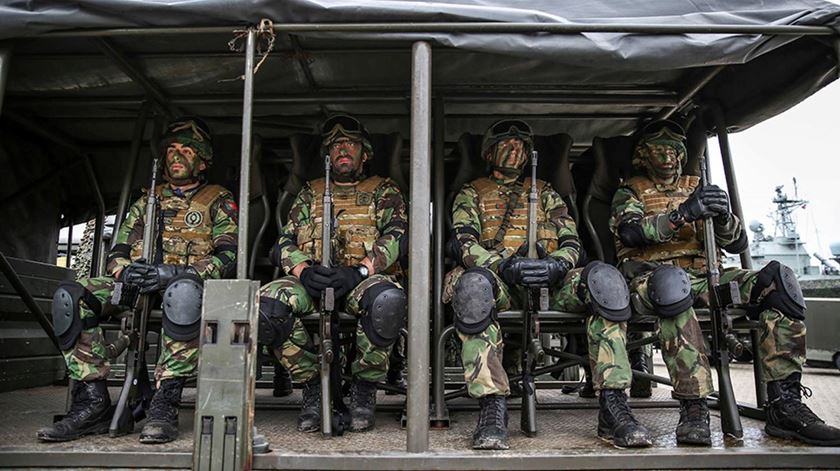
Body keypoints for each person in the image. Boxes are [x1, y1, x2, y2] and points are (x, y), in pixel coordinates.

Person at [611, 119, 840, 446]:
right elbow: (630, 232)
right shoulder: (630, 190)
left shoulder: (698, 186)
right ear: (643, 157)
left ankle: (784, 404)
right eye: (657, 149)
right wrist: (682, 214)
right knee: (673, 288)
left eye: (673, 149)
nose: (667, 156)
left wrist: (721, 217)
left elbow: (737, 244)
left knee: (778, 283)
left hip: (706, 275)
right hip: (652, 278)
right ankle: (694, 407)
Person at [443, 119, 651, 450]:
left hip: (551, 282)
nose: (516, 151)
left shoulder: (547, 194)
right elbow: (466, 245)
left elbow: (571, 241)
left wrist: (558, 264)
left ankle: (614, 405)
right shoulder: (471, 193)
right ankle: (492, 408)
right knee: (472, 291)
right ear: (488, 152)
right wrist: (504, 266)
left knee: (605, 283)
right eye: (507, 145)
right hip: (500, 280)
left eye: (522, 146)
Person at [38, 117, 238, 444]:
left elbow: (228, 256)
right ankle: (92, 402)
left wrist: (176, 273)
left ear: (202, 160)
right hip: (137, 285)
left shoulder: (218, 199)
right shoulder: (148, 199)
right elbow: (117, 249)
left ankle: (164, 404)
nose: (177, 156)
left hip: (187, 287)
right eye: (172, 149)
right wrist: (124, 269)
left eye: (187, 150)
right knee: (71, 297)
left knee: (183, 295)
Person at [259, 114, 408, 433]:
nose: (343, 149)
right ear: (328, 156)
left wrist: (360, 271)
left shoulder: (384, 190)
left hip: (361, 281)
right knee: (266, 307)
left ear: (364, 154)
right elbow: (284, 240)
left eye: (350, 144)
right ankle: (313, 388)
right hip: (312, 281)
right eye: (336, 145)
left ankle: (364, 392)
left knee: (388, 301)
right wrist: (303, 270)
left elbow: (397, 236)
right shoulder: (310, 192)